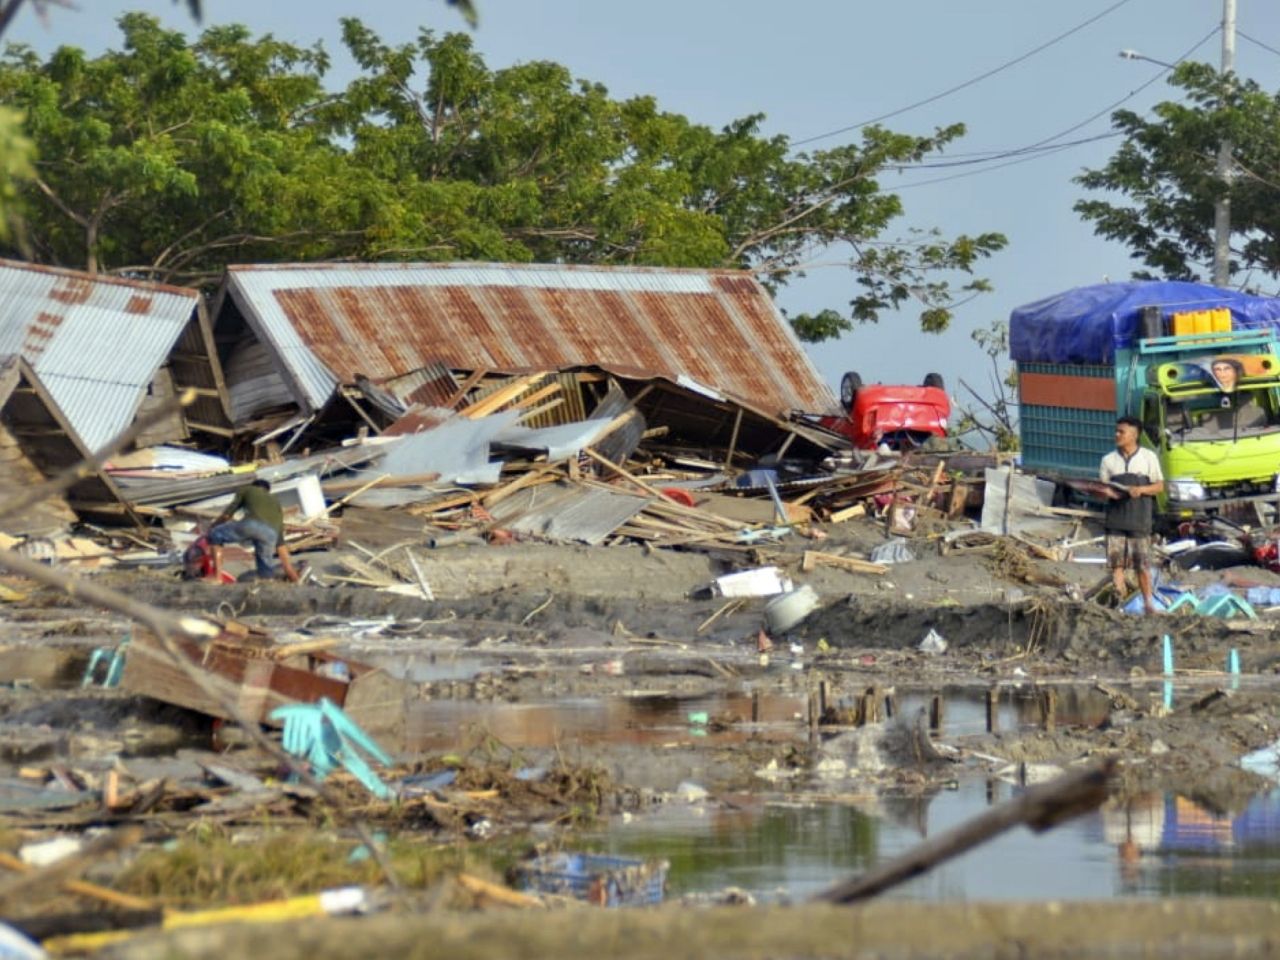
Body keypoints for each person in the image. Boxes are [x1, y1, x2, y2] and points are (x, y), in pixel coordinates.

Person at [1100, 416, 1164, 614]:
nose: (1116, 435)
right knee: (1116, 565)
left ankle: (1148, 604)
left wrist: (1141, 490)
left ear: (1134, 435)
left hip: (1139, 521)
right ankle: (1120, 604)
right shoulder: (1108, 460)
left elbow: (1160, 486)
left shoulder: (1148, 458)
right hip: (1116, 520)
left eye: (1121, 432)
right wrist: (1106, 493)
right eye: (1116, 431)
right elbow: (1102, 488)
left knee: (1142, 566)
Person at [208, 479, 300, 583]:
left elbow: (227, 515)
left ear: (254, 486)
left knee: (216, 534)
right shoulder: (275, 502)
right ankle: (268, 584)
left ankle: (217, 577)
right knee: (265, 573)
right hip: (270, 535)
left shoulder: (247, 489)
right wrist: (292, 574)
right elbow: (280, 544)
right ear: (267, 491)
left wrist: (213, 526)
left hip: (252, 525)